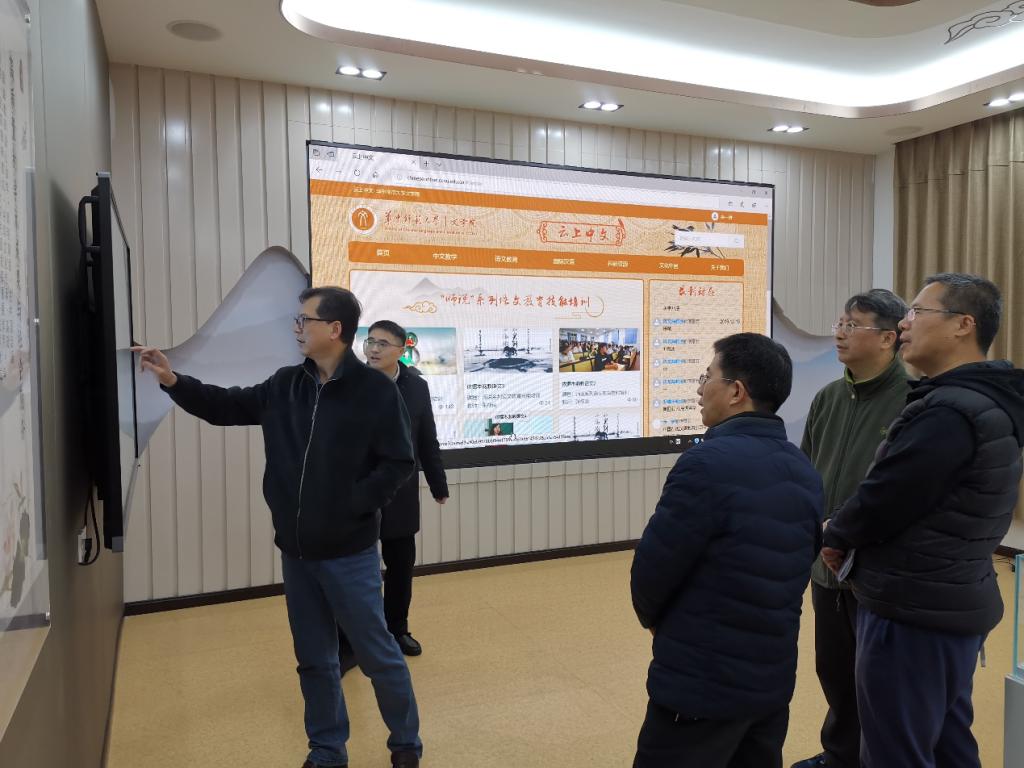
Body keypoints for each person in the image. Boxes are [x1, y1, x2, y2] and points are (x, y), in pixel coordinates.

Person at [134, 286, 423, 768]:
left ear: (335, 329)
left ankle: (406, 744)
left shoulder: (375, 391)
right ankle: (327, 750)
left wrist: (353, 505)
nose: (297, 328)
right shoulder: (286, 384)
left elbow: (398, 462)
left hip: (349, 553)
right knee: (314, 659)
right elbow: (226, 406)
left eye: (305, 320)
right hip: (297, 553)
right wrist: (172, 380)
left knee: (377, 654)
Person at [822, 273, 1024, 768]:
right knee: (946, 742)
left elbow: (886, 496)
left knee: (897, 750)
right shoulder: (981, 399)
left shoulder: (950, 411)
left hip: (913, 607)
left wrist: (836, 534)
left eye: (917, 312)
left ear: (963, 325)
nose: (905, 324)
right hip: (948, 596)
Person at [630, 333, 824, 768]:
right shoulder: (803, 468)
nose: (699, 390)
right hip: (770, 680)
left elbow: (653, 571)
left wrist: (655, 621)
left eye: (707, 377)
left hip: (701, 682)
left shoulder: (705, 463)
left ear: (736, 391)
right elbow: (801, 561)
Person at [792, 289, 910, 768]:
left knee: (880, 680)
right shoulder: (828, 397)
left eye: (852, 324)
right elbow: (805, 474)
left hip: (878, 571)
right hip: (825, 566)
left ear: (888, 338)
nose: (839, 333)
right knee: (834, 670)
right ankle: (840, 755)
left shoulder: (912, 401)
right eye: (839, 323)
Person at [339, 320, 448, 668]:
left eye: (382, 344)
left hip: (400, 492)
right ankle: (348, 642)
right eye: (369, 341)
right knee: (355, 572)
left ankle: (397, 630)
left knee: (401, 566)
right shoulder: (349, 382)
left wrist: (438, 484)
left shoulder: (416, 387)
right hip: (357, 492)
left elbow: (426, 439)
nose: (373, 349)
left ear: (402, 350)